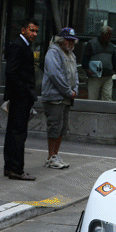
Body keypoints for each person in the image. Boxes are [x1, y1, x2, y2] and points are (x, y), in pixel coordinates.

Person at [3, 19, 39, 181]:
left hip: (20, 96)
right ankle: (16, 169)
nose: (34, 34)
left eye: (36, 31)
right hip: (20, 97)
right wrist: (24, 92)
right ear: (23, 30)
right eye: (31, 30)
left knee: (14, 132)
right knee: (18, 133)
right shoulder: (18, 46)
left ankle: (10, 167)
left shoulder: (22, 45)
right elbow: (11, 72)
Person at [42, 28, 79, 169]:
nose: (71, 42)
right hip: (54, 97)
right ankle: (51, 157)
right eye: (68, 39)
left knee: (62, 128)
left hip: (66, 97)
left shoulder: (71, 55)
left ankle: (55, 155)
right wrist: (68, 91)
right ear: (61, 40)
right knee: (54, 127)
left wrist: (74, 90)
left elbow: (75, 74)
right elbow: (54, 74)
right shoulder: (53, 52)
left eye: (72, 40)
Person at [81, 26, 116, 101]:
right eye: (108, 34)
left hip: (107, 75)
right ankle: (93, 111)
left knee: (107, 96)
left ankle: (106, 111)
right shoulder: (92, 44)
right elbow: (85, 58)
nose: (110, 36)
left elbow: (114, 60)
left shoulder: (111, 46)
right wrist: (87, 69)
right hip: (95, 75)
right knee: (93, 97)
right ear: (103, 34)